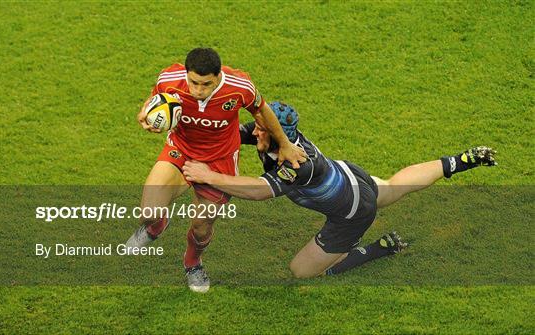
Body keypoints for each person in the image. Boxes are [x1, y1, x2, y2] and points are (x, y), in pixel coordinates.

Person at [182, 101, 497, 278]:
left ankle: (376, 249)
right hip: (350, 177)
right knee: (395, 186)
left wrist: (208, 175)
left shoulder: (298, 164)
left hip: (352, 211)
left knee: (301, 271)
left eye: (262, 128)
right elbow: (233, 134)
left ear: (279, 135)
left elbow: (258, 191)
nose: (256, 131)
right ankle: (459, 161)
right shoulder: (277, 137)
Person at [125, 49, 306, 293]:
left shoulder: (240, 87)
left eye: (206, 84)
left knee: (202, 225)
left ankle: (193, 264)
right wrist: (144, 115)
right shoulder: (169, 79)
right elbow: (154, 100)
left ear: (218, 76)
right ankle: (155, 227)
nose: (198, 90)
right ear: (186, 74)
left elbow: (262, 110)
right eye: (193, 83)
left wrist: (284, 144)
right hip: (181, 151)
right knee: (149, 212)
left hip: (219, 161)